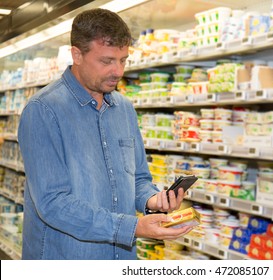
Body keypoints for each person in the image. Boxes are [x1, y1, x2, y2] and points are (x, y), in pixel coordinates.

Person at [17, 8, 192, 260]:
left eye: (123, 60)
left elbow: (138, 178)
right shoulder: (43, 111)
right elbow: (53, 203)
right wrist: (132, 227)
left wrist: (154, 200)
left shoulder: (124, 109)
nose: (118, 71)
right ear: (77, 54)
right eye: (107, 61)